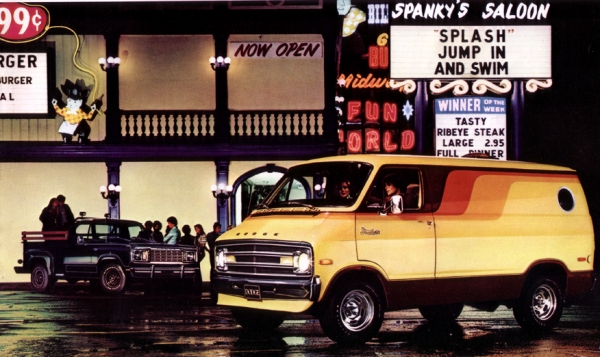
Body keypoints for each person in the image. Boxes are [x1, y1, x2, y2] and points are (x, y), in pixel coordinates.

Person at [206, 222, 222, 303]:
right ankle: (213, 285)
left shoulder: (209, 235)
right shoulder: (216, 236)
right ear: (216, 228)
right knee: (214, 268)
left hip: (212, 253)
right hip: (214, 253)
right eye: (218, 228)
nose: (219, 230)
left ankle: (212, 284)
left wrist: (207, 250)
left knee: (212, 268)